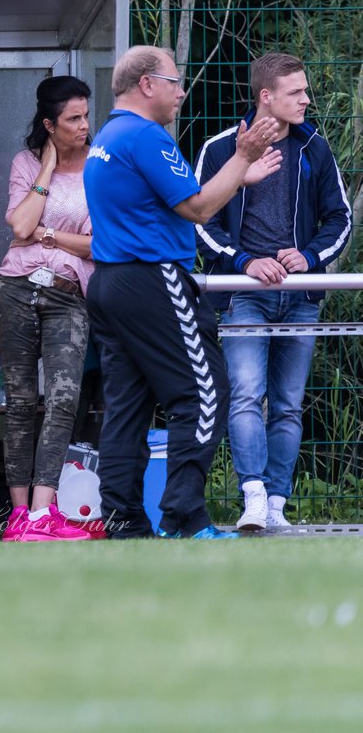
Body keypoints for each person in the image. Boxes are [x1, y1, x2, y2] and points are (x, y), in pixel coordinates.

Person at [84, 45, 282, 540]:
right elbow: (196, 209)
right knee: (203, 391)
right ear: (147, 84)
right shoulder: (148, 137)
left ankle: (123, 521)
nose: (181, 91)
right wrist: (242, 155)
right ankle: (185, 517)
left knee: (126, 406)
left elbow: (174, 203)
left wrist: (240, 172)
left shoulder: (109, 136)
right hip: (153, 278)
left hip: (110, 283)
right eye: (175, 82)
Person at [195, 52, 352, 531]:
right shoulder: (222, 148)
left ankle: (278, 508)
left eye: (305, 90)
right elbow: (199, 220)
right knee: (245, 396)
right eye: (296, 92)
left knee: (287, 404)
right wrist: (244, 261)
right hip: (243, 293)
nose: (307, 99)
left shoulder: (315, 148)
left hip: (301, 295)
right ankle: (254, 500)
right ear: (266, 97)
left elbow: (340, 219)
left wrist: (310, 256)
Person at [0, 76, 94, 542]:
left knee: (64, 400)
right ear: (49, 124)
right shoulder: (26, 163)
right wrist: (46, 171)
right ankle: (18, 519)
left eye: (86, 115)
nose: (84, 126)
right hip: (14, 289)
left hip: (66, 295)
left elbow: (97, 245)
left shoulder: (99, 169)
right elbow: (20, 222)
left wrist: (46, 236)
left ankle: (41, 513)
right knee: (20, 403)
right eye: (73, 119)